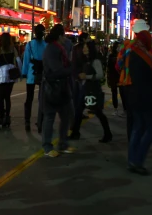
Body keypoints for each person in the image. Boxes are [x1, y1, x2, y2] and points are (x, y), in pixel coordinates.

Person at [125, 20, 152, 175]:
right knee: (151, 129)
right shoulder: (147, 58)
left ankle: (131, 159)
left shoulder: (131, 51)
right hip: (147, 98)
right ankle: (138, 160)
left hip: (133, 96)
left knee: (137, 128)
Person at [41, 24, 75, 157]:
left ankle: (63, 143)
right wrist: (71, 70)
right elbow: (57, 70)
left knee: (65, 116)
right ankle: (47, 147)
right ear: (60, 36)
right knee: (50, 117)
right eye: (64, 35)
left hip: (61, 87)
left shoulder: (59, 47)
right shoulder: (52, 49)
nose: (65, 38)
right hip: (53, 87)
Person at [78, 41, 113, 143]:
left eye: (86, 47)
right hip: (86, 89)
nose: (84, 49)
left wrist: (86, 76)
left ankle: (108, 133)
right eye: (84, 47)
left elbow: (100, 75)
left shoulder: (95, 61)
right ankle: (75, 132)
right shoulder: (86, 60)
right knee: (79, 109)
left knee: (98, 112)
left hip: (93, 90)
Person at [0, 33, 21, 129]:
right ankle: (7, 117)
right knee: (7, 97)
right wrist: (19, 71)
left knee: (0, 97)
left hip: (1, 74)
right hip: (11, 73)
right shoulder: (13, 48)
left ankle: (1, 116)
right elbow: (18, 60)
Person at [22, 24, 46, 132]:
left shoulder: (30, 44)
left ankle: (27, 121)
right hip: (43, 73)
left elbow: (26, 60)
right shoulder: (46, 45)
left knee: (29, 98)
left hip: (32, 72)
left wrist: (24, 72)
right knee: (42, 99)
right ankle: (41, 122)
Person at [107, 43, 122, 116]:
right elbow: (109, 68)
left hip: (120, 77)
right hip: (114, 77)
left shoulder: (122, 55)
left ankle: (124, 109)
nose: (119, 48)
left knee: (123, 93)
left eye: (120, 47)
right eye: (118, 47)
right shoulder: (112, 56)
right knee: (114, 93)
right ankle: (115, 109)